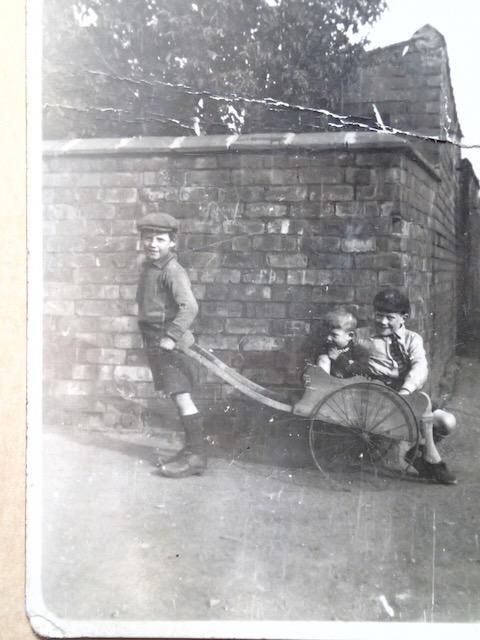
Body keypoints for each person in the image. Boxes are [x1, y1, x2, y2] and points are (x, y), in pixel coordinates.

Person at [357, 288, 457, 484]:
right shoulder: (363, 338)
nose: (383, 322)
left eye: (389, 317)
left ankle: (419, 452)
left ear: (404, 317)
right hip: (380, 398)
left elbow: (420, 366)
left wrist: (406, 390)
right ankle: (432, 459)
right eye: (379, 315)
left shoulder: (413, 339)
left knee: (447, 421)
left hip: (407, 394)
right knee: (424, 403)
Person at [136, 212, 207, 478]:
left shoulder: (172, 271)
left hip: (172, 347)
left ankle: (196, 456)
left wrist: (170, 338)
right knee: (179, 399)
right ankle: (191, 451)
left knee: (182, 398)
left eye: (160, 239)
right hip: (158, 344)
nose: (153, 244)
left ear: (172, 242)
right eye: (148, 238)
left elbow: (190, 307)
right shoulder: (150, 269)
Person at [317, 307, 369, 378]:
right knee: (323, 358)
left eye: (334, 335)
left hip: (350, 385)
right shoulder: (326, 348)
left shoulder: (357, 350)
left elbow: (362, 370)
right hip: (329, 385)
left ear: (350, 335)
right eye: (327, 333)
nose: (328, 338)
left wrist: (339, 358)